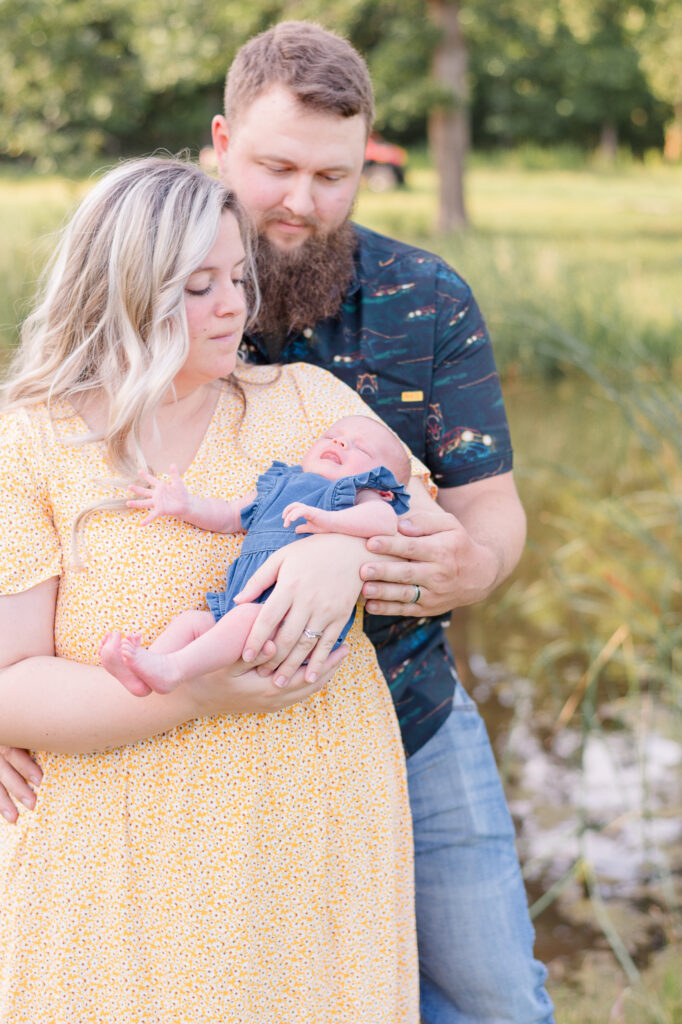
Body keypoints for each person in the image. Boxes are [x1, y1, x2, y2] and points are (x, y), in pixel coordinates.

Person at [0, 22, 556, 1024]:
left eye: (334, 176)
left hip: (395, 711)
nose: (303, 201)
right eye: (277, 167)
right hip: (142, 780)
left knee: (492, 998)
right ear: (221, 145)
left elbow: (471, 507)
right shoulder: (98, 354)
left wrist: (402, 560)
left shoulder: (416, 306)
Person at [0, 156, 429, 1022]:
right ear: (120, 290)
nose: (235, 305)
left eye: (237, 277)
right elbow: (10, 688)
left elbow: (428, 531)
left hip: (311, 846)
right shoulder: (28, 443)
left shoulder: (311, 405)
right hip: (121, 864)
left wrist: (338, 556)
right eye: (198, 286)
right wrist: (197, 694)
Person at [101, 414, 411, 696]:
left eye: (362, 449)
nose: (340, 442)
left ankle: (173, 670)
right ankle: (145, 673)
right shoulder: (280, 483)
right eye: (331, 436)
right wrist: (186, 506)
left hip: (293, 618)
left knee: (246, 619)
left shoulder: (357, 493)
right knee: (192, 623)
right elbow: (228, 516)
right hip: (246, 602)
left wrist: (331, 521)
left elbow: (385, 521)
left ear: (384, 487)